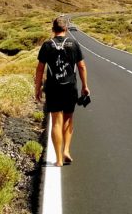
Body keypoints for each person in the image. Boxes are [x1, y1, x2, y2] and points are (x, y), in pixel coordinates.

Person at [35, 14, 89, 167]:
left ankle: (58, 159)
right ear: (65, 28)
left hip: (53, 88)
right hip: (70, 86)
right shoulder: (73, 43)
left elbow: (40, 70)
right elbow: (82, 66)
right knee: (68, 119)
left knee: (56, 122)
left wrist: (37, 88)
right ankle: (66, 150)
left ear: (53, 29)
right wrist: (85, 86)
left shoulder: (47, 45)